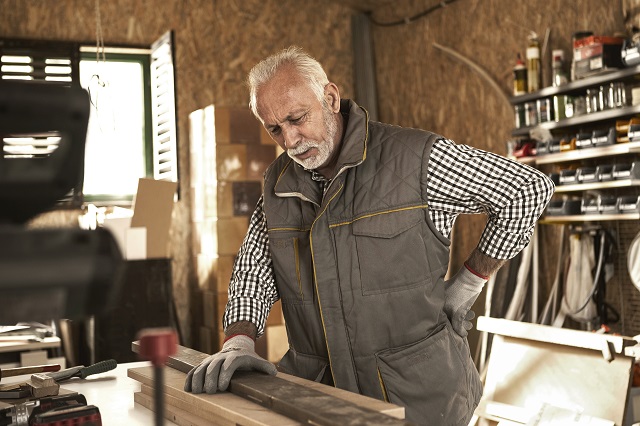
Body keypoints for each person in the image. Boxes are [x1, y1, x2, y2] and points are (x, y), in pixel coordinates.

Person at [184, 45, 555, 425]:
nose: (291, 140)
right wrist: (239, 341)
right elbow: (253, 273)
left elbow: (527, 190)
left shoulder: (415, 160)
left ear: (329, 97)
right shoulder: (277, 185)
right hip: (325, 401)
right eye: (275, 128)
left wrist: (468, 284)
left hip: (422, 402)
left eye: (298, 119)